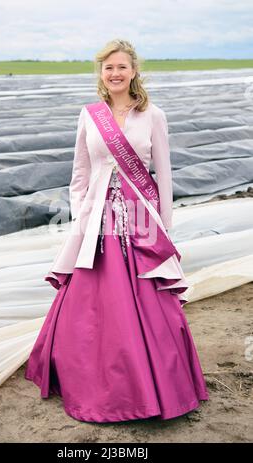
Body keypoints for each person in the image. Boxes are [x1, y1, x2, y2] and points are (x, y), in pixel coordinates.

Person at [25, 38, 210, 423]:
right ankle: (89, 379)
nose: (115, 73)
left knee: (147, 297)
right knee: (90, 300)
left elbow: (164, 174)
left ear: (134, 71)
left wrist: (163, 224)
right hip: (97, 218)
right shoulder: (90, 114)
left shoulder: (153, 115)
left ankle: (155, 385)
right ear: (102, 73)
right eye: (108, 68)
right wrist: (82, 214)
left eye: (122, 67)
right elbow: (80, 171)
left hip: (140, 218)